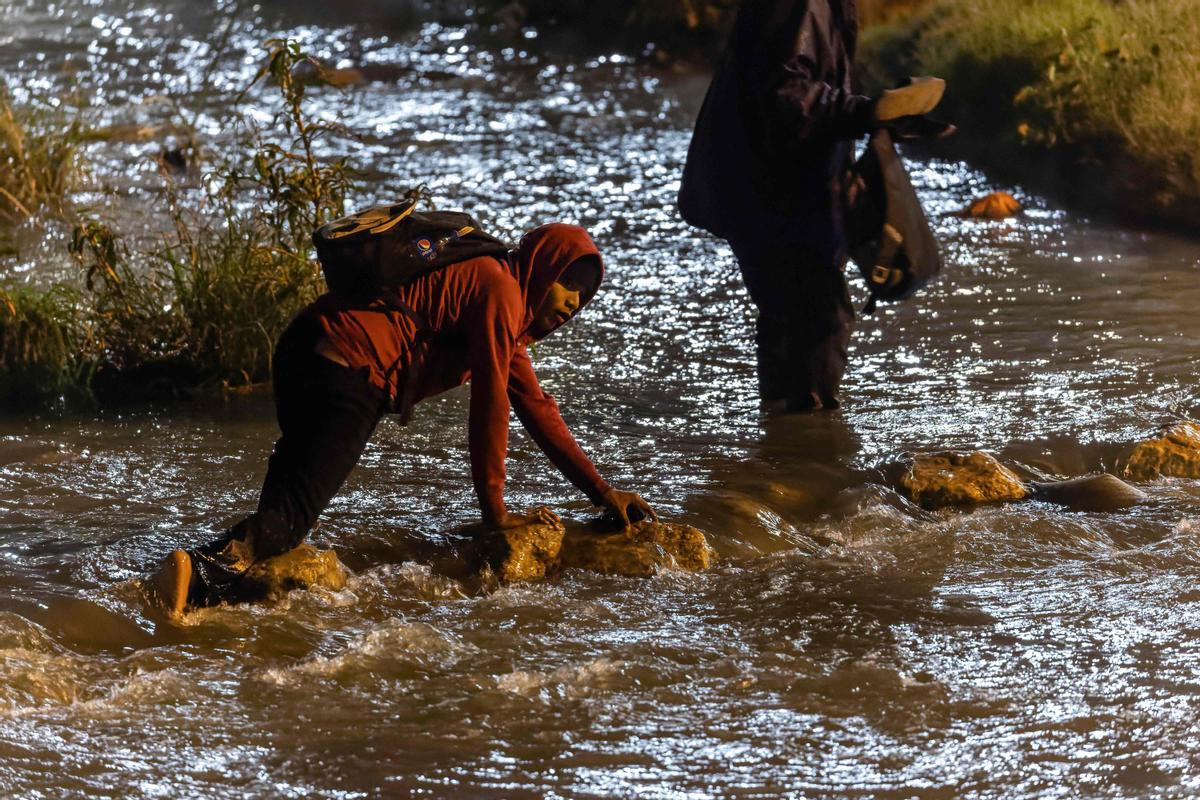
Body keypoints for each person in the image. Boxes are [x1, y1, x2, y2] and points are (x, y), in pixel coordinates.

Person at [151, 223, 655, 618]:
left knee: (288, 510)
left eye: (583, 298)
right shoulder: (501, 292)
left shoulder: (501, 303)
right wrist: (495, 512)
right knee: (290, 519)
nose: (572, 304)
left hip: (308, 344)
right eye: (568, 284)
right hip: (349, 365)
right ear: (542, 267)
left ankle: (209, 592)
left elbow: (539, 411)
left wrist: (601, 492)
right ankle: (196, 574)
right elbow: (492, 407)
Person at [679, 0, 950, 412]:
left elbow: (801, 89)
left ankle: (785, 449)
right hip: (773, 195)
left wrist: (881, 118)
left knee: (797, 321)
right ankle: (805, 454)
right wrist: (866, 110)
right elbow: (784, 96)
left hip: (781, 190)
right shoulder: (799, 4)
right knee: (815, 321)